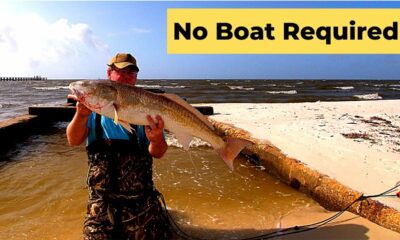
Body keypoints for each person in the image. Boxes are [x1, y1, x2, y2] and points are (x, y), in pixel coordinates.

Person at [66, 53, 172, 239]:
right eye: (121, 71)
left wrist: (156, 140)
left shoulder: (147, 107)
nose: (126, 77)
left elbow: (159, 153)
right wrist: (81, 116)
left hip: (141, 201)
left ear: (136, 77)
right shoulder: (93, 106)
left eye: (131, 73)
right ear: (109, 73)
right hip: (101, 201)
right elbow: (73, 140)